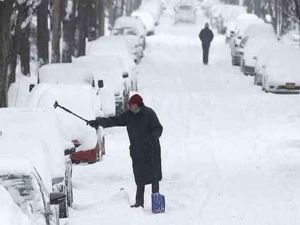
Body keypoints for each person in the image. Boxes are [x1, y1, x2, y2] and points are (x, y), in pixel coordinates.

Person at [87, 94, 163, 208]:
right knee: (140, 178)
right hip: (137, 151)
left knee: (154, 177)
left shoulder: (149, 113)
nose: (129, 107)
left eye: (131, 105)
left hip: (151, 150)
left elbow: (158, 128)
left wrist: (151, 139)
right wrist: (98, 122)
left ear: (138, 105)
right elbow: (114, 120)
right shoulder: (128, 115)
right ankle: (139, 202)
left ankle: (157, 203)